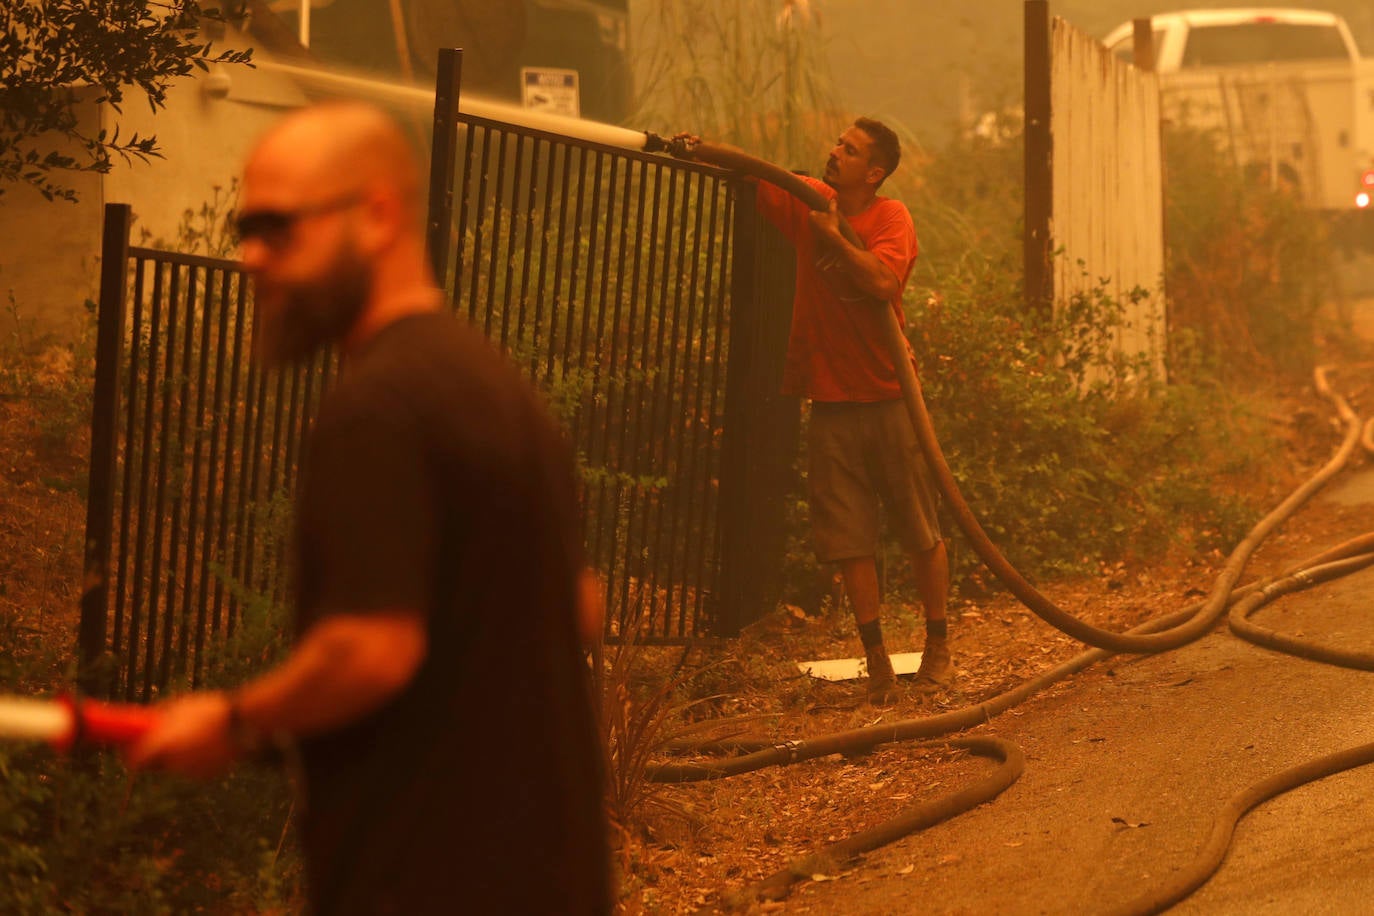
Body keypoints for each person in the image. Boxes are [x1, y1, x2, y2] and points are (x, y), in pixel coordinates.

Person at [128, 102, 612, 914]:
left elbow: (371, 647)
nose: (250, 257)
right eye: (244, 229)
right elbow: (581, 607)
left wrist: (235, 721)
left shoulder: (378, 408)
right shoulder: (497, 388)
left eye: (279, 228)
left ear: (378, 214)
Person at [755, 118, 951, 704]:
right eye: (838, 144)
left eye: (850, 150)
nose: (835, 153)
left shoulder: (891, 218)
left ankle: (938, 644)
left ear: (875, 172)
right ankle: (878, 661)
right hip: (832, 400)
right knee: (849, 541)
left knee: (919, 528)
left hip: (892, 395)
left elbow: (884, 281)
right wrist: (694, 149)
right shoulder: (808, 202)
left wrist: (835, 237)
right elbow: (750, 174)